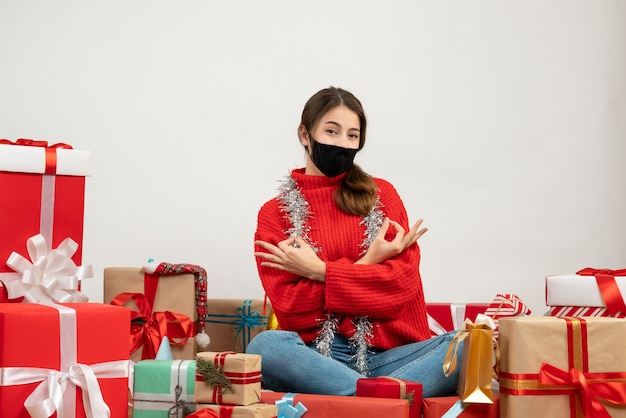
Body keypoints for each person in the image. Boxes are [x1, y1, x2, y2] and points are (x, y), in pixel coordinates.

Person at [246, 86, 460, 397]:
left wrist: (319, 271)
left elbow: (399, 288)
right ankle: (383, 401)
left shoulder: (381, 195)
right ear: (305, 134)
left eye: (352, 135)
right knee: (266, 346)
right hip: (320, 361)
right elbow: (292, 309)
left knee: (466, 346)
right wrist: (368, 264)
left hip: (394, 357)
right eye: (331, 131)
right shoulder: (275, 214)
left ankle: (362, 400)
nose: (342, 144)